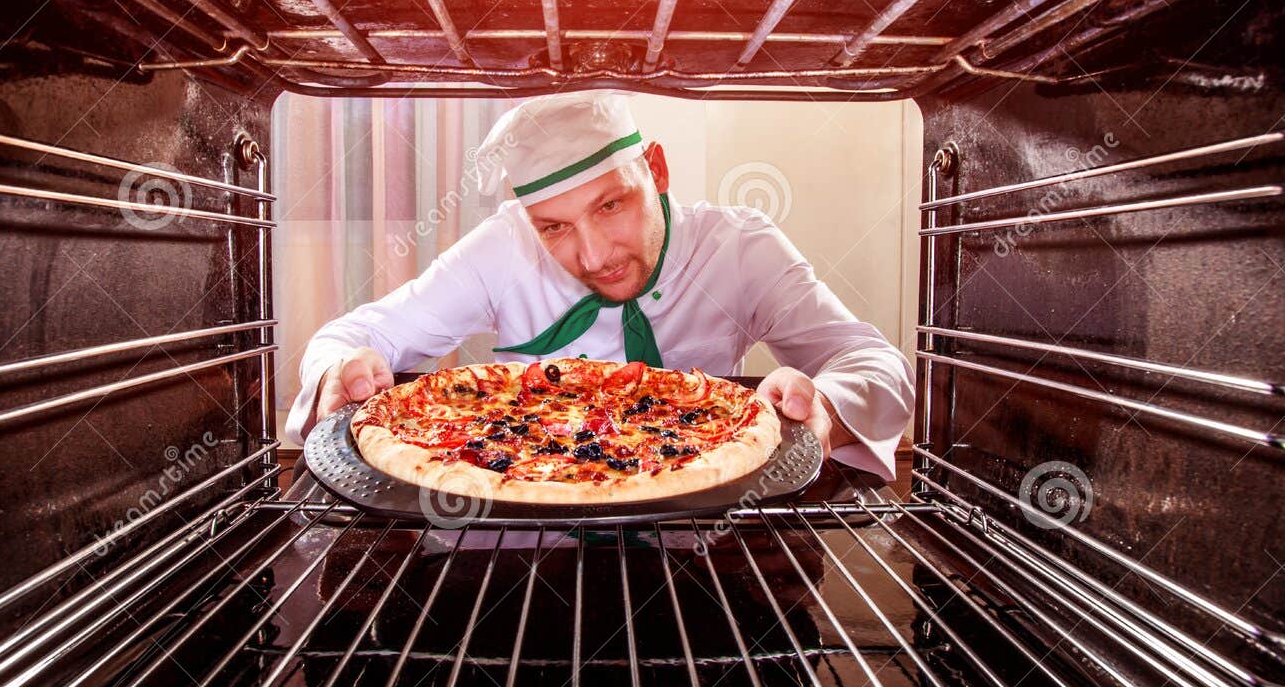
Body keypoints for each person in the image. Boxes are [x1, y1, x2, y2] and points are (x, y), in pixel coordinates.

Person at [286, 91, 914, 478]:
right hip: (521, 536)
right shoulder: (504, 245)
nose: (591, 255)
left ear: (657, 170)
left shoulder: (740, 246)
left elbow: (874, 363)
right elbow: (355, 336)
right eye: (554, 227)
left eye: (611, 206)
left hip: (697, 537)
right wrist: (344, 370)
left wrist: (823, 408)